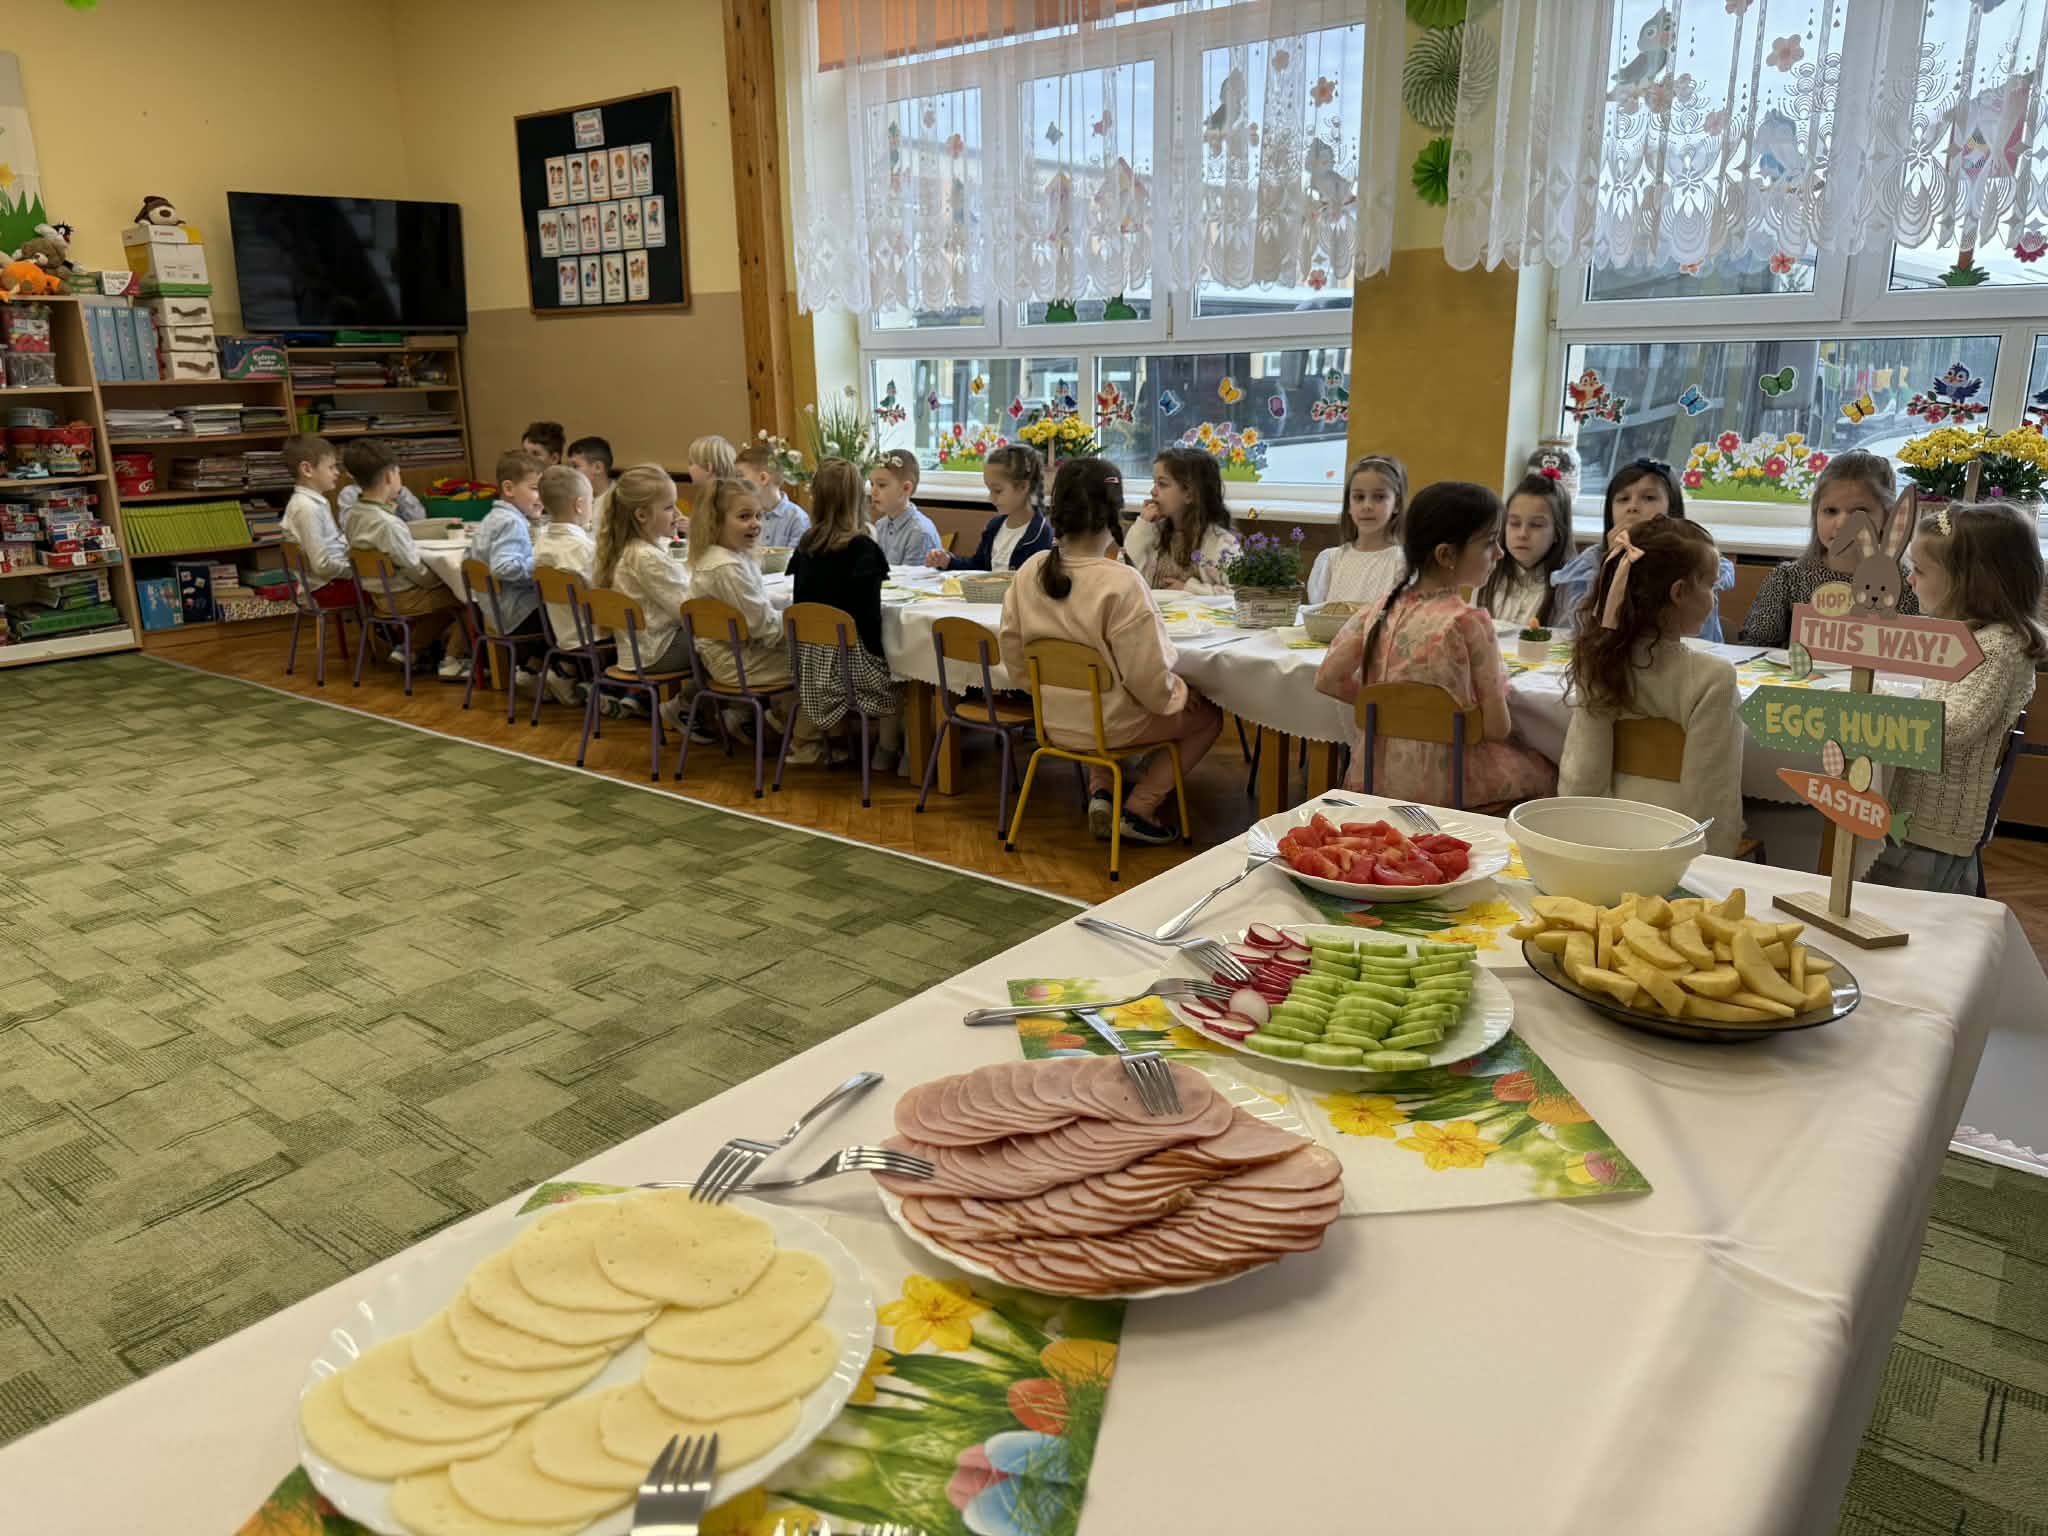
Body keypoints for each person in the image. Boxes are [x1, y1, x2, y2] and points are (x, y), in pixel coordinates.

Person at [999, 457, 1224, 846]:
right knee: (1207, 717)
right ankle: (1139, 807)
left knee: (1101, 700)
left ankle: (1101, 791)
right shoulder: (1122, 583)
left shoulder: (1029, 571)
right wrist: (1179, 693)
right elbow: (1148, 680)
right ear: (1112, 512)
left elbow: (1015, 656)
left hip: (1053, 722)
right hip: (1113, 726)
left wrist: (1046, 695)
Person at [1314, 481, 1556, 805]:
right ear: (1446, 555)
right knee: (1550, 772)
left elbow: (1328, 679)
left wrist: (1396, 712)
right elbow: (1497, 727)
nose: (1500, 553)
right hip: (1453, 783)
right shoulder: (1468, 622)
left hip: (1374, 777)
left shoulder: (1380, 609)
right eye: (1489, 542)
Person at [1864, 503, 2045, 894]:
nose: (1909, 580)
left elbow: (1955, 726)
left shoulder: (1998, 648)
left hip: (1934, 824)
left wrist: (1877, 700)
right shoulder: (1972, 638)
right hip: (1920, 816)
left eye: (1920, 571)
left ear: (1969, 582)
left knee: (1903, 910)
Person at [1557, 518, 1743, 858]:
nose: (1714, 600)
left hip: (1603, 841)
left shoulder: (1597, 662)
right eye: (1712, 587)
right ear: (1679, 593)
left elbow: (1582, 774)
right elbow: (1713, 793)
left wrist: (1579, 845)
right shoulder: (1713, 678)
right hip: (1672, 846)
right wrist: (1712, 863)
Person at [1738, 450, 1920, 646]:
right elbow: (1755, 646)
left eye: (1859, 512)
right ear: (1816, 513)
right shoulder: (1789, 580)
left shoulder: (1908, 587)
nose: (1842, 524)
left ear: (1887, 517)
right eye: (1830, 511)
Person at [788, 458, 902, 770]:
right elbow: (869, 622)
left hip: (809, 669)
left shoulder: (806, 546)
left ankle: (832, 740)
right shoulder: (863, 550)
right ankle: (888, 751)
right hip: (850, 672)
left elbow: (802, 607)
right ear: (856, 499)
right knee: (902, 674)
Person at [1553, 459, 1736, 640]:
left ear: (1671, 508)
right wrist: (1612, 566)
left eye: (1649, 498)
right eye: (1623, 499)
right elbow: (1581, 632)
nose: (1632, 507)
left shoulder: (1697, 559)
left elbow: (1700, 637)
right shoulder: (1591, 561)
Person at [342, 437, 469, 679]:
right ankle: (452, 661)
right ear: (390, 476)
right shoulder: (389, 524)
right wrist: (443, 580)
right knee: (467, 597)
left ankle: (410, 649)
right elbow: (415, 569)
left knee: (448, 599)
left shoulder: (354, 516)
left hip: (379, 595)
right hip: (403, 596)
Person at [685, 477, 796, 733]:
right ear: (716, 521)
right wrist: (800, 619)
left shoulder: (725, 557)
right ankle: (803, 736)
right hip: (737, 663)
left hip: (728, 657)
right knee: (820, 661)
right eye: (744, 516)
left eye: (759, 515)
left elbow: (756, 614)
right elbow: (764, 627)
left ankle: (778, 719)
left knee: (810, 652)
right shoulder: (727, 567)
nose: (755, 523)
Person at [593, 463, 691, 679]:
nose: (678, 514)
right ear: (642, 515)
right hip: (656, 653)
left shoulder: (629, 548)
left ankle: (686, 698)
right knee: (723, 639)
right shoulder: (646, 556)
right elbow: (687, 609)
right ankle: (690, 698)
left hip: (637, 652)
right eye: (669, 507)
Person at [1126, 446, 1239, 594]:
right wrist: (1142, 526)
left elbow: (1239, 593)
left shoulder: (1221, 544)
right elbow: (1124, 573)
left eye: (1162, 484)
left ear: (1190, 494)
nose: (1153, 491)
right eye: (1154, 483)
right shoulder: (1152, 531)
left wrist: (1188, 589)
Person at [926, 444, 1053, 571]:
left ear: (1023, 487)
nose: (991, 498)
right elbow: (978, 566)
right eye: (989, 490)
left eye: (997, 491)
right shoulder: (994, 526)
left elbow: (1037, 580)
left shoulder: (1042, 535)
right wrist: (948, 561)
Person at [531, 463, 596, 705]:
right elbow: (604, 591)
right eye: (591, 502)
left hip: (561, 630)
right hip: (591, 631)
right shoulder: (583, 548)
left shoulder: (541, 543)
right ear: (580, 505)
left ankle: (567, 671)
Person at [1306, 453, 1407, 609]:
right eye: (1359, 497)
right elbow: (1318, 614)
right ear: (1349, 504)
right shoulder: (1331, 560)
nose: (1367, 506)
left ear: (1397, 504)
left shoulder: (1401, 563)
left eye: (1379, 497)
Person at [1475, 472, 1571, 629]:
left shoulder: (1568, 587)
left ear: (1557, 533)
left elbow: (1566, 641)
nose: (1522, 534)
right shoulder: (1487, 572)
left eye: (1536, 525)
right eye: (1514, 523)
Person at [466, 448, 544, 640]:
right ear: (509, 489)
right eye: (535, 489)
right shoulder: (512, 522)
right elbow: (503, 567)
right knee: (574, 614)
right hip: (518, 614)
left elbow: (468, 557)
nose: (542, 497)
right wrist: (542, 562)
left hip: (495, 612)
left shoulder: (493, 518)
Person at [280, 433, 357, 610]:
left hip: (330, 583)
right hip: (328, 588)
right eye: (331, 467)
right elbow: (321, 565)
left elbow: (331, 546)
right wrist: (354, 570)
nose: (337, 472)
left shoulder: (313, 503)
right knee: (394, 586)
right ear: (307, 469)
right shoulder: (307, 508)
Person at [868, 449, 943, 566]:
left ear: (906, 488)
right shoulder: (880, 526)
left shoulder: (919, 533)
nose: (873, 492)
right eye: (872, 484)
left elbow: (911, 577)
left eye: (881, 485)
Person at [734, 443, 811, 547]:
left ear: (763, 478)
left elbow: (796, 556)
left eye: (740, 476)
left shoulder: (798, 519)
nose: (735, 483)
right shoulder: (744, 516)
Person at [566, 435, 615, 522]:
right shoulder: (572, 497)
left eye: (575, 466)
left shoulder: (619, 500)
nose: (569, 472)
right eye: (568, 467)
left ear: (598, 467)